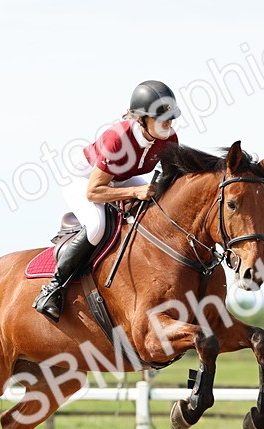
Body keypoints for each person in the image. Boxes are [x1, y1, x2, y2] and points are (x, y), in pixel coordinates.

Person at [33, 80, 182, 320]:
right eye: (162, 119)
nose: (169, 124)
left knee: (153, 207)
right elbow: (94, 192)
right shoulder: (117, 138)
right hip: (82, 179)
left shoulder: (168, 137)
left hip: (120, 178)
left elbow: (172, 176)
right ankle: (53, 288)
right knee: (97, 226)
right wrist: (134, 193)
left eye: (171, 118)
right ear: (142, 119)